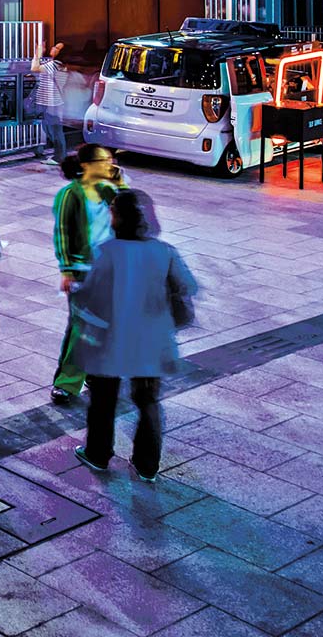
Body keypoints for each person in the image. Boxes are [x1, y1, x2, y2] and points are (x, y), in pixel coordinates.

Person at [69, 189, 198, 482]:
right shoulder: (164, 251)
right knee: (148, 401)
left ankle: (98, 454)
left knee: (103, 399)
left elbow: (87, 297)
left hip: (110, 341)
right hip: (151, 340)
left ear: (119, 218)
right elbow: (187, 287)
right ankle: (147, 464)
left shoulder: (104, 253)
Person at [51, 143, 124, 405]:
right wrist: (67, 269)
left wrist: (121, 184)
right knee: (81, 328)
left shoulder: (109, 190)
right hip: (82, 270)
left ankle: (96, 372)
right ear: (86, 165)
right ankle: (67, 383)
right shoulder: (70, 194)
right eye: (104, 160)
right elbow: (62, 233)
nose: (110, 164)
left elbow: (131, 213)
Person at [32, 41, 68, 163]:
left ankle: (59, 157)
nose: (54, 48)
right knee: (51, 128)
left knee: (54, 130)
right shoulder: (59, 65)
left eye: (58, 48)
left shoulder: (55, 64)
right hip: (54, 102)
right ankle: (59, 156)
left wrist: (37, 53)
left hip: (51, 103)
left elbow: (34, 68)